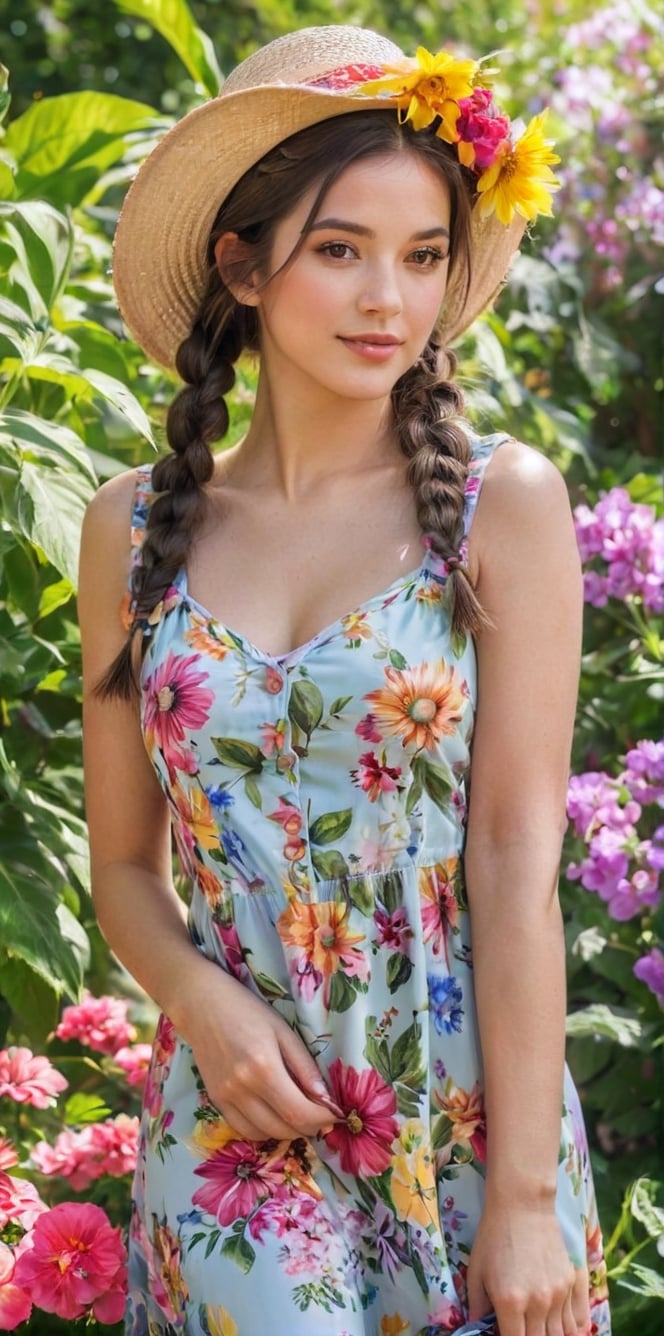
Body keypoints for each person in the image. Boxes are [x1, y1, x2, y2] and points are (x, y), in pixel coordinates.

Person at [78, 24, 612, 1336]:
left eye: (423, 254)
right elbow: (126, 874)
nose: (390, 298)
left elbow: (510, 854)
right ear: (243, 265)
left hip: (473, 1105)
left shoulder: (504, 508)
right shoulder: (130, 528)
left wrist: (528, 1195)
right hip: (241, 1121)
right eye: (341, 249)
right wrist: (197, 1000)